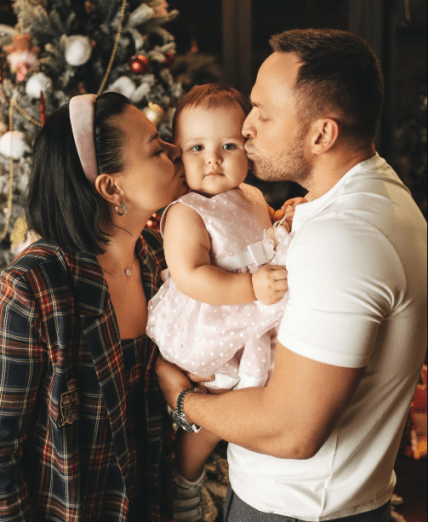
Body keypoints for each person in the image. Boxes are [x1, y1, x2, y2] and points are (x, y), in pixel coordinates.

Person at [155, 29, 428, 521]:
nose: (247, 128)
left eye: (263, 112)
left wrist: (183, 400)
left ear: (322, 134)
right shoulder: (373, 196)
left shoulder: (344, 239)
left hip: (293, 509)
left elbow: (291, 431)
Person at [0, 92, 187, 522]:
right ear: (110, 186)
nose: (177, 150)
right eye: (157, 148)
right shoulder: (31, 288)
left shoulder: (163, 258)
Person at [146, 84, 304, 521]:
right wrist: (250, 287)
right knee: (214, 410)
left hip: (254, 312)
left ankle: (254, 462)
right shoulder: (186, 212)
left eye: (227, 146)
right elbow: (192, 277)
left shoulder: (250, 195)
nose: (213, 159)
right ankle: (185, 478)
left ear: (247, 149)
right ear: (179, 155)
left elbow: (262, 233)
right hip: (213, 322)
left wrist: (282, 215)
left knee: (266, 391)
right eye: (197, 148)